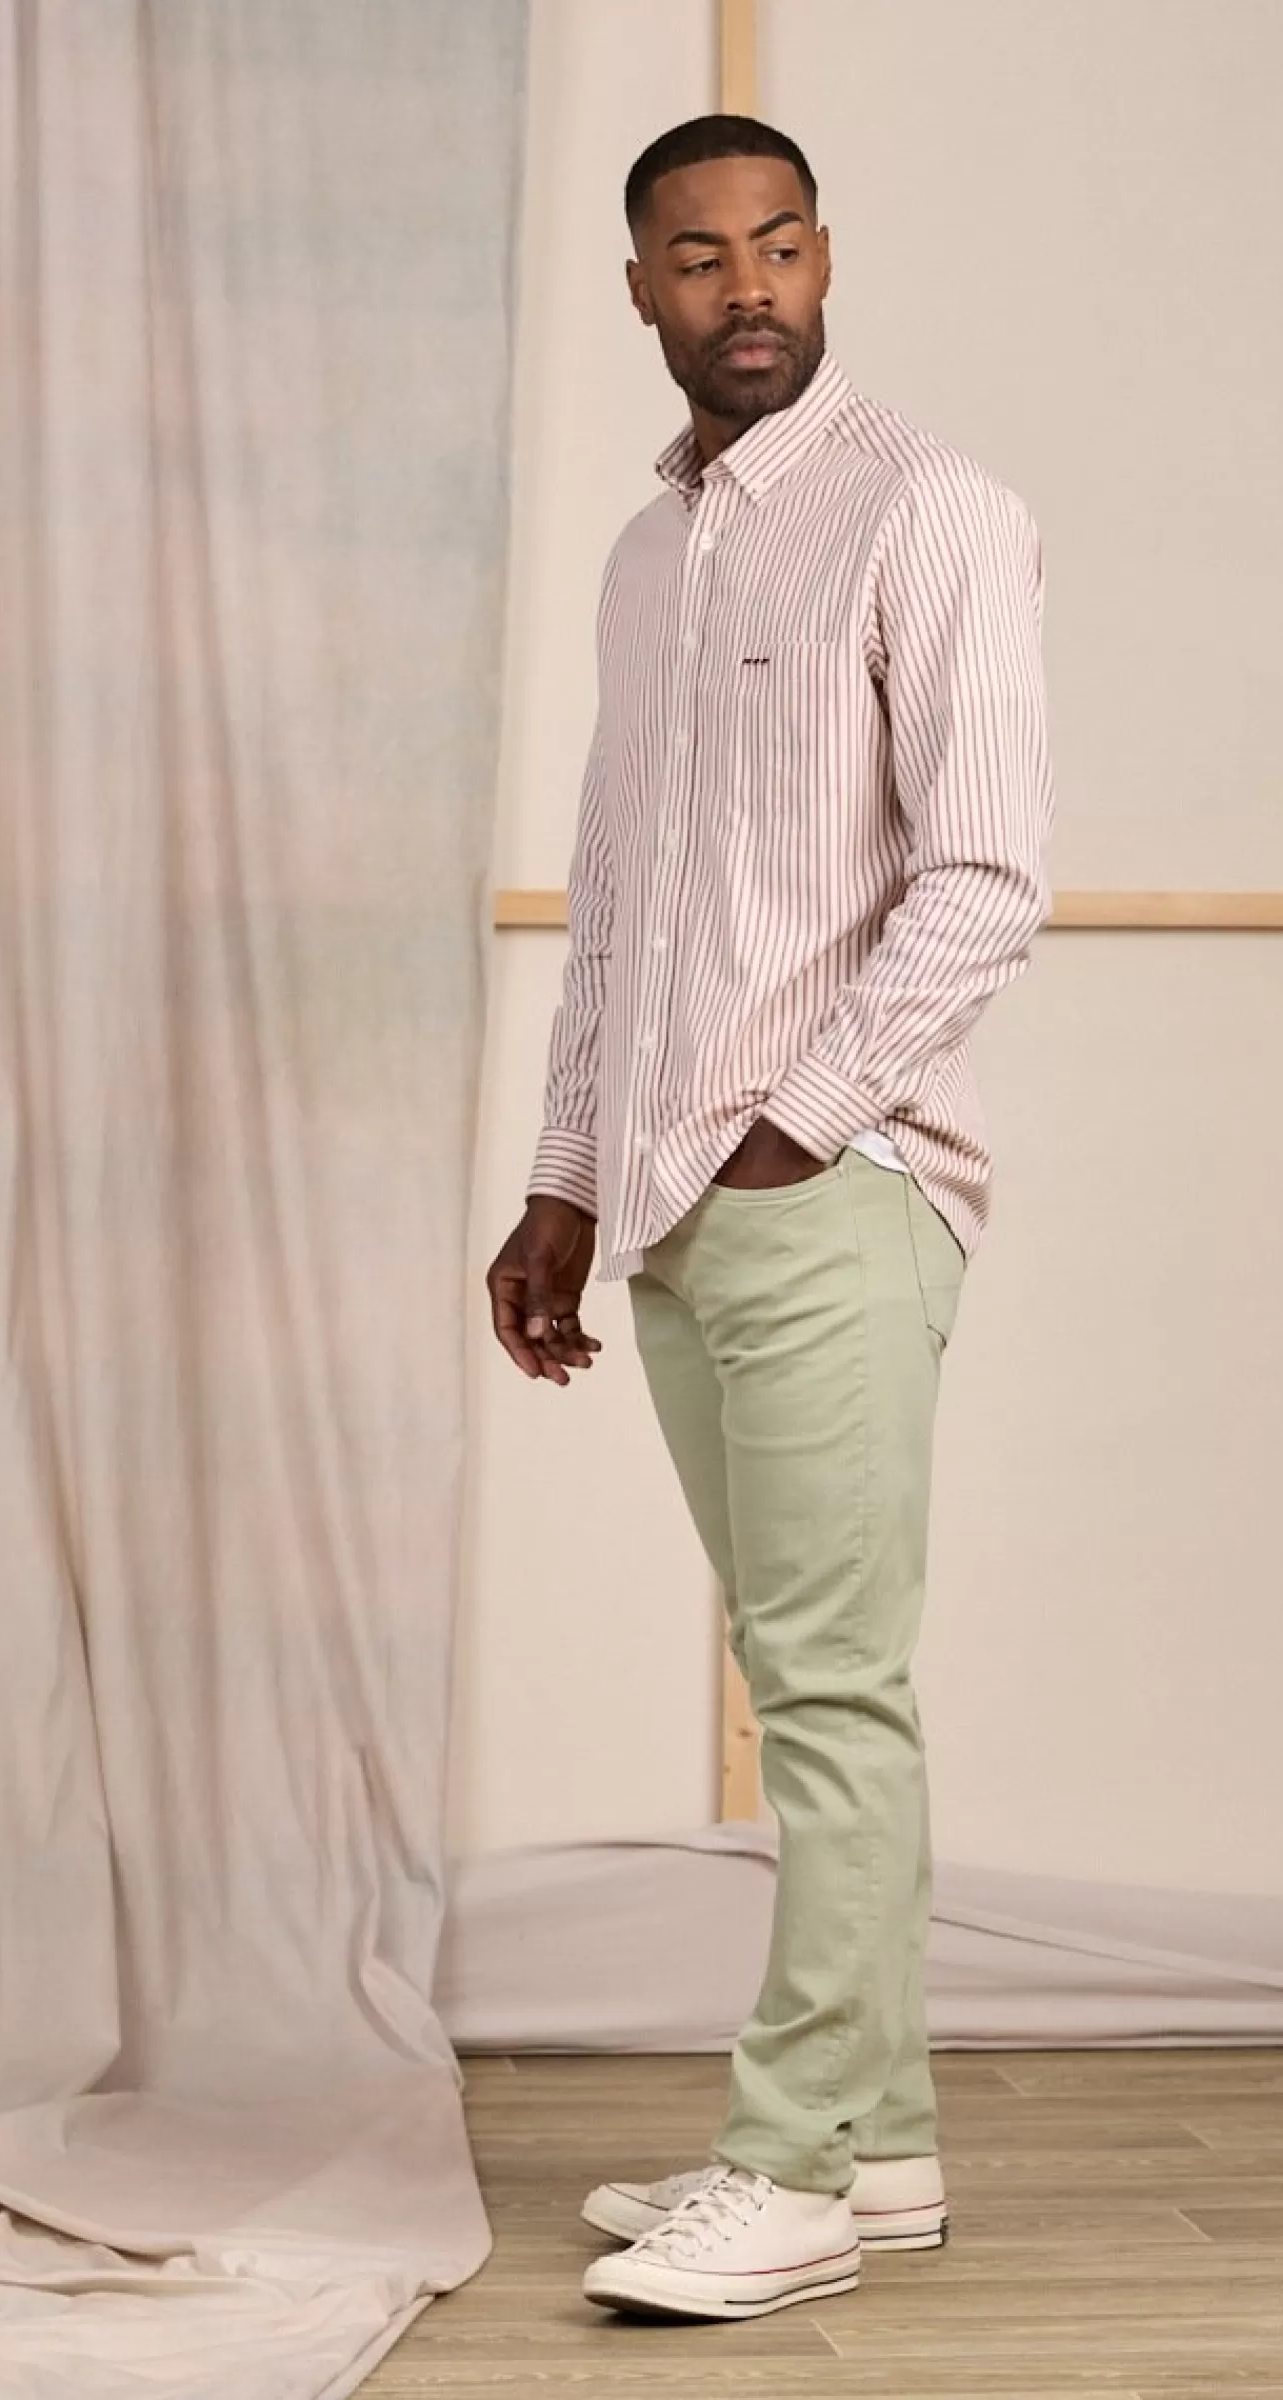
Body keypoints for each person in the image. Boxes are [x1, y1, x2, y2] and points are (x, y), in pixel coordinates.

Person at [484, 112, 1055, 2323]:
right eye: (702, 254)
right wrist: (565, 1178)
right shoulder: (653, 558)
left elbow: (986, 873)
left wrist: (798, 1127)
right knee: (800, 1672)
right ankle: (881, 2144)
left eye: (781, 245)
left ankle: (790, 2162)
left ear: (826, 261)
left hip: (835, 1188)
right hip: (671, 1203)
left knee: (829, 1691)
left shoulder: (933, 509)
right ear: (643, 286)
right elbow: (621, 900)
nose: (747, 287)